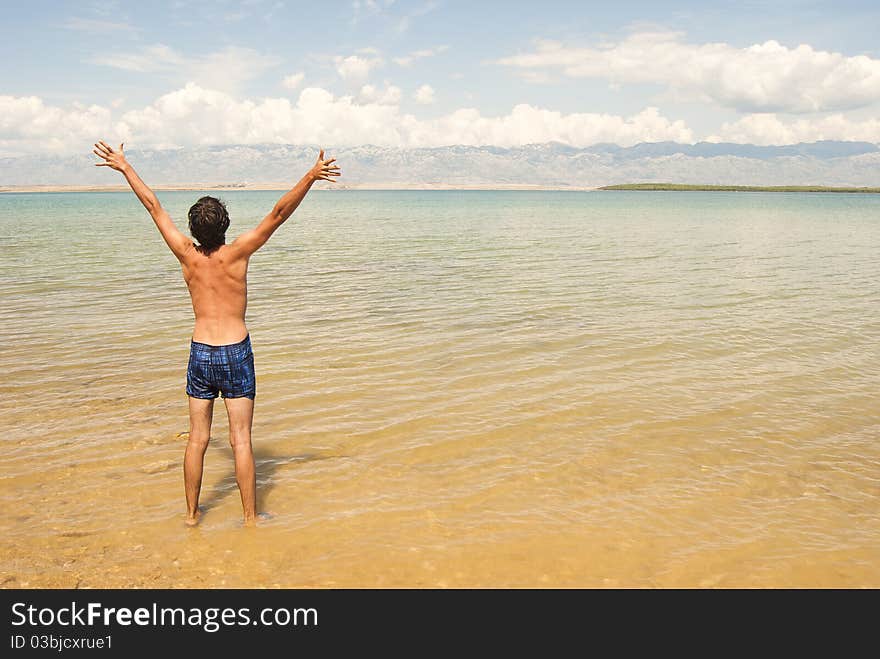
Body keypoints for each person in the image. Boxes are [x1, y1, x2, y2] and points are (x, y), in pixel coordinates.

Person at [93, 140, 341, 526]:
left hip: (201, 352)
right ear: (225, 225)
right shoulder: (238, 253)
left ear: (194, 228)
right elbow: (278, 214)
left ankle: (192, 516)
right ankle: (250, 519)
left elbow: (153, 206)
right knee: (240, 439)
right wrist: (310, 176)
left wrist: (124, 166)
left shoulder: (185, 253)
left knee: (197, 439)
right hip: (236, 351)